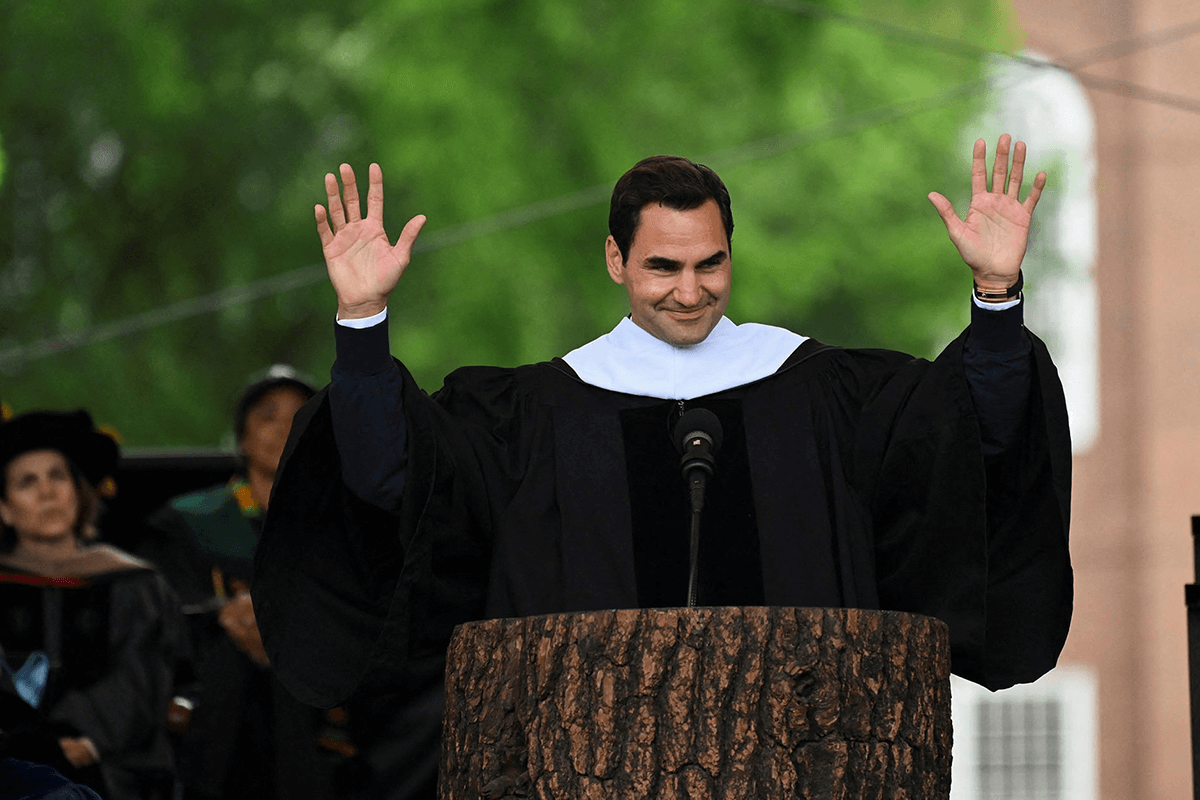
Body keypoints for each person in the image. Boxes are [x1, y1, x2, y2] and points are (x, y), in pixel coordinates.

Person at [253, 136, 1072, 798]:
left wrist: (996, 295)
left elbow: (971, 448)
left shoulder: (824, 395)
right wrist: (362, 320)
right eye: (662, 267)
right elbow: (390, 478)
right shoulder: (531, 418)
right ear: (616, 260)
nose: (690, 291)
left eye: (708, 264)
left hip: (802, 767)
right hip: (582, 771)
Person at [138, 366, 349, 800]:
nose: (285, 427)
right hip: (217, 696)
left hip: (320, 703)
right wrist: (226, 616)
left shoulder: (347, 525)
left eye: (301, 415)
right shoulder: (190, 520)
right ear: (242, 438)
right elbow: (161, 610)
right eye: (268, 415)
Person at [0, 409, 183, 800]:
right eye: (26, 482)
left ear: (78, 493)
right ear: (5, 507)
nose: (47, 492)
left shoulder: (134, 581)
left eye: (58, 476)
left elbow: (142, 674)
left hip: (116, 763)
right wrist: (30, 742)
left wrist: (84, 737)